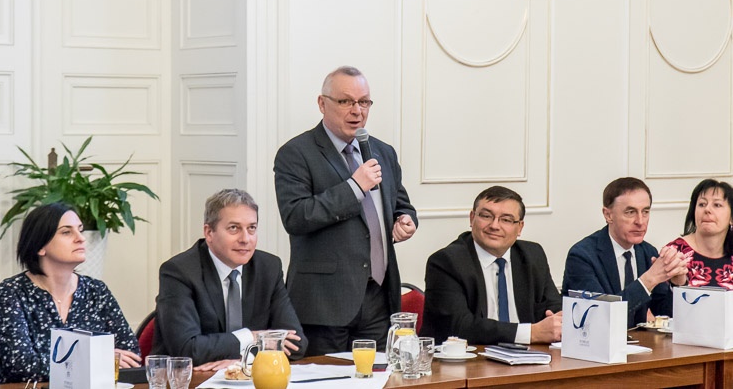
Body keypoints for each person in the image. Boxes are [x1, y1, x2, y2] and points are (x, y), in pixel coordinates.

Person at [273, 65, 418, 356]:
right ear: (322, 103)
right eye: (345, 101)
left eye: (364, 102)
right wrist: (354, 187)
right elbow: (296, 217)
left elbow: (400, 203)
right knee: (327, 378)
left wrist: (405, 220)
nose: (357, 111)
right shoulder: (296, 153)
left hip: (378, 298)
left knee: (379, 376)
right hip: (325, 304)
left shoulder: (383, 151)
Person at [152, 188, 306, 370]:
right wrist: (252, 337)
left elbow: (296, 344)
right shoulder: (179, 271)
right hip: (189, 379)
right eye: (234, 228)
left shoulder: (268, 268)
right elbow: (187, 349)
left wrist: (243, 360)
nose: (245, 239)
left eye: (251, 228)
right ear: (209, 232)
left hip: (249, 377)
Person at [0, 203, 140, 383]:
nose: (81, 238)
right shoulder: (12, 292)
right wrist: (97, 360)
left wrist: (71, 364)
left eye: (80, 230)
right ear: (40, 246)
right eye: (66, 232)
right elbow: (21, 365)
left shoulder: (96, 290)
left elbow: (130, 355)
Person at [420, 186, 562, 345]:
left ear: (520, 227)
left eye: (506, 220)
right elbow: (459, 326)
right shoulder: (446, 262)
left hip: (529, 355)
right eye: (486, 216)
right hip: (468, 356)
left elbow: (554, 306)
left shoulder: (532, 255)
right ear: (472, 218)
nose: (494, 226)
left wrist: (558, 321)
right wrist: (531, 333)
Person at [562, 177, 689, 327]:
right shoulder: (582, 256)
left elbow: (665, 312)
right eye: (630, 212)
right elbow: (598, 317)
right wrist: (648, 280)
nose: (640, 221)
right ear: (608, 215)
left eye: (645, 212)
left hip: (639, 340)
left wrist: (678, 284)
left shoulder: (648, 252)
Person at [666, 179, 733, 289]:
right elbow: (659, 298)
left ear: (731, 217)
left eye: (717, 205)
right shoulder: (674, 253)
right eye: (702, 204)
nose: (707, 209)